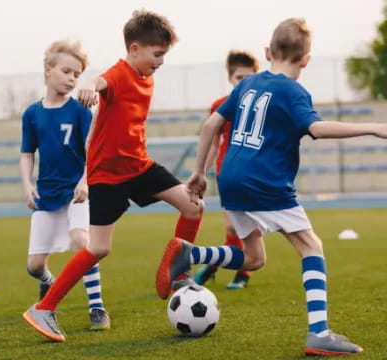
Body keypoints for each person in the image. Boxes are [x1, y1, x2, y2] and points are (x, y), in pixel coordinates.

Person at [158, 18, 387, 356]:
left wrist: (198, 173)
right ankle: (319, 333)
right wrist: (373, 128)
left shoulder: (248, 83)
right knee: (311, 247)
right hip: (265, 182)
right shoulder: (293, 91)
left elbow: (210, 124)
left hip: (231, 180)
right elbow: (318, 129)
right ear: (306, 59)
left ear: (267, 52)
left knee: (253, 259)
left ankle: (192, 254)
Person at [23, 10, 206, 342]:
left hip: (139, 167)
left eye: (164, 54)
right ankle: (45, 307)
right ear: (134, 49)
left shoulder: (148, 77)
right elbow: (100, 81)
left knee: (193, 206)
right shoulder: (119, 74)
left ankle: (179, 274)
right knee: (98, 249)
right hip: (107, 177)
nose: (161, 61)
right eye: (157, 54)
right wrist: (89, 89)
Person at [20, 40, 110, 337]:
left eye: (77, 74)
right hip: (47, 194)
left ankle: (96, 306)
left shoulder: (81, 111)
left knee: (81, 241)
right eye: (67, 71)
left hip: (77, 191)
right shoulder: (32, 114)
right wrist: (27, 184)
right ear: (48, 71)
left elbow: (91, 150)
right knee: (34, 266)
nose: (72, 78)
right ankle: (48, 280)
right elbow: (27, 153)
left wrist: (85, 182)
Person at [194, 50, 259, 289]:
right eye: (240, 77)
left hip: (256, 174)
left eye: (249, 77)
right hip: (227, 174)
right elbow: (214, 144)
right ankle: (237, 271)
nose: (244, 82)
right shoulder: (220, 106)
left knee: (250, 226)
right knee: (233, 226)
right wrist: (201, 172)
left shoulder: (261, 107)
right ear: (231, 78)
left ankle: (218, 266)